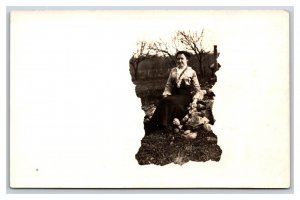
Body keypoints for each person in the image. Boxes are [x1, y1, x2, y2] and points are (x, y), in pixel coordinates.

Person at [145, 51, 202, 135]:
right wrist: (166, 93)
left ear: (187, 60)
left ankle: (163, 125)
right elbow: (168, 85)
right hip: (175, 94)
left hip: (185, 96)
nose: (180, 61)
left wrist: (195, 100)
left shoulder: (191, 72)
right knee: (164, 100)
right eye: (178, 59)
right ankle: (155, 125)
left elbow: (198, 89)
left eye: (182, 58)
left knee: (169, 101)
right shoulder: (173, 71)